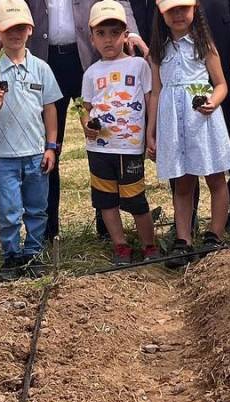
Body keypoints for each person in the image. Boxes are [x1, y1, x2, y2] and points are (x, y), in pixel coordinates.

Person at [0, 0, 146, 242]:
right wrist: (0, 37)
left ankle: (107, 228)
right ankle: (48, 231)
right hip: (44, 56)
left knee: (101, 135)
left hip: (87, 57)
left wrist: (133, 33)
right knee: (47, 146)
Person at [0, 0, 62, 281]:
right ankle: (11, 256)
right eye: (8, 29)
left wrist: (51, 147)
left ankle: (34, 253)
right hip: (3, 156)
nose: (15, 34)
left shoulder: (41, 68)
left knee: (38, 208)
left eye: (20, 28)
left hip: (36, 152)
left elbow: (50, 109)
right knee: (9, 210)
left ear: (30, 30)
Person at [149, 0, 230, 267]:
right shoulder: (158, 51)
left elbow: (221, 84)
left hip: (201, 121)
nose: (177, 14)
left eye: (183, 8)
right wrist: (151, 131)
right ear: (161, 13)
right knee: (183, 182)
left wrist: (213, 101)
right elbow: (155, 92)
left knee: (215, 178)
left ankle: (215, 235)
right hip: (174, 123)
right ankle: (183, 240)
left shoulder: (204, 45)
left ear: (194, 9)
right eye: (171, 10)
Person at [80, 1, 156, 265]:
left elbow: (150, 100)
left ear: (126, 35)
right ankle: (120, 246)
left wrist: (151, 134)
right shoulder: (91, 73)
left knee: (135, 200)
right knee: (106, 201)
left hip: (129, 148)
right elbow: (84, 107)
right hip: (99, 149)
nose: (108, 39)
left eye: (114, 33)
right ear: (92, 39)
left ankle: (149, 245)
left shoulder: (138, 65)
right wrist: (86, 125)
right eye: (101, 34)